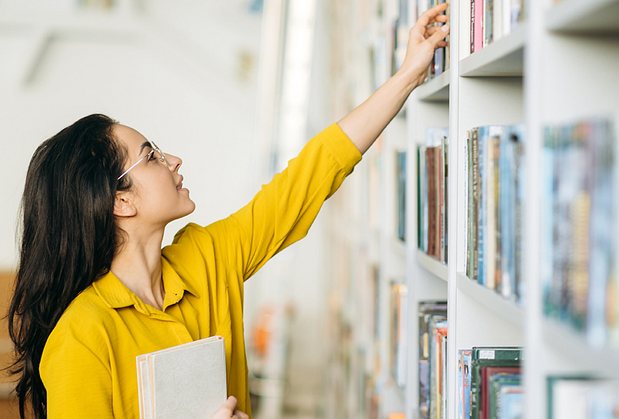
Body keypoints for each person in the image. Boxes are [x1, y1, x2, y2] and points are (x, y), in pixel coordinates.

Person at [5, 4, 449, 419]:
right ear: (121, 200)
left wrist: (409, 74)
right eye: (152, 155)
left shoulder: (206, 258)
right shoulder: (81, 336)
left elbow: (310, 176)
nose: (173, 160)